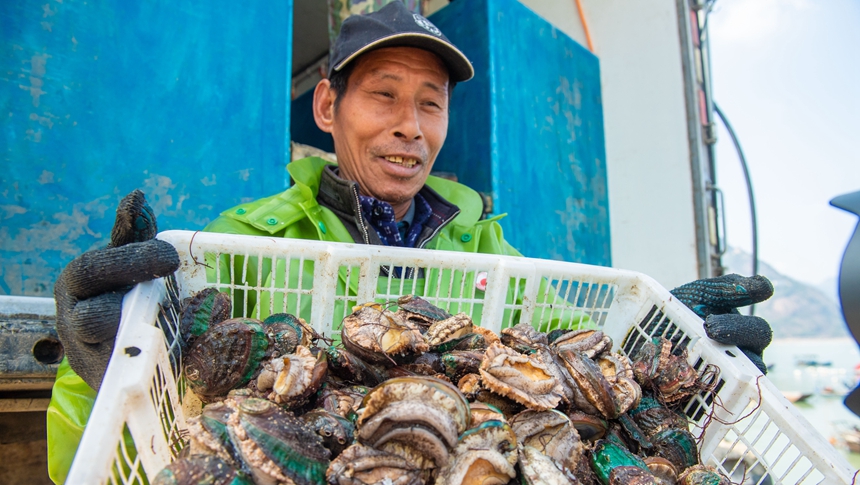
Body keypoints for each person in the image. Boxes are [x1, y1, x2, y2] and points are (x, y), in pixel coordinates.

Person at [45, 2, 774, 482]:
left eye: (431, 102)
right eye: (384, 94)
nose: (410, 124)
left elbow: (583, 360)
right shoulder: (240, 242)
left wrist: (678, 352)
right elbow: (121, 445)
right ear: (329, 105)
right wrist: (94, 370)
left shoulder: (501, 258)